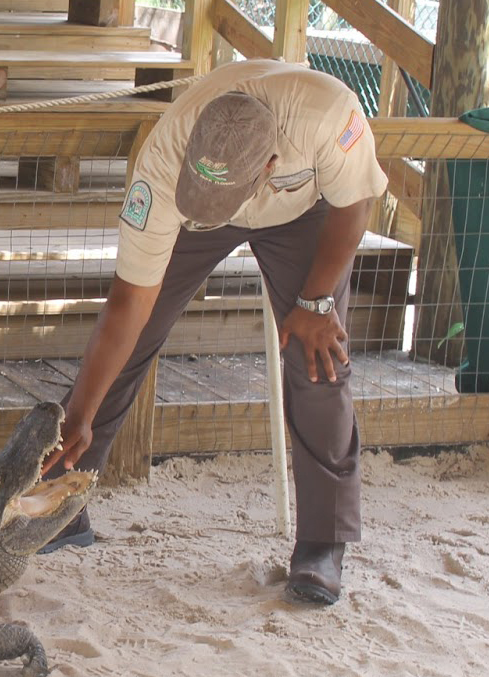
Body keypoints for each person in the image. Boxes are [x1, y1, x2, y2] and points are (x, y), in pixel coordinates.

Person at [39, 59, 389, 606]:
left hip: (305, 210)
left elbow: (355, 205)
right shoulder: (164, 159)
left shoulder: (326, 114)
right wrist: (81, 411)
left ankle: (324, 543)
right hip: (193, 213)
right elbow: (128, 302)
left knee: (317, 354)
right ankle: (61, 505)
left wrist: (316, 303)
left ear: (272, 165)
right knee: (136, 334)